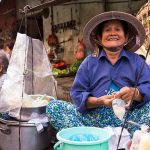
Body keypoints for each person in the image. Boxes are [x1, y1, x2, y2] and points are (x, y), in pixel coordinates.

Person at [46, 11, 150, 136]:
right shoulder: (89, 63)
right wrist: (99, 101)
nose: (112, 33)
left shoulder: (137, 61)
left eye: (118, 29)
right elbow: (77, 94)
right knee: (53, 107)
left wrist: (136, 93)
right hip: (94, 119)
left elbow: (148, 86)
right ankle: (94, 137)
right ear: (100, 38)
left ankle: (128, 136)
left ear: (126, 37)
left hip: (130, 117)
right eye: (107, 30)